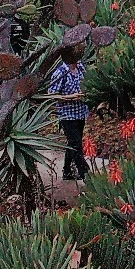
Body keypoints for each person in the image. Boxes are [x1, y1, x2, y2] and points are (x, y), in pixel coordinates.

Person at [49, 45, 90, 181]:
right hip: (67, 115)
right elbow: (52, 95)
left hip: (80, 112)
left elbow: (87, 82)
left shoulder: (80, 68)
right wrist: (70, 97)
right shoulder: (60, 72)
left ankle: (67, 171)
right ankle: (86, 174)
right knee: (76, 143)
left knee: (72, 144)